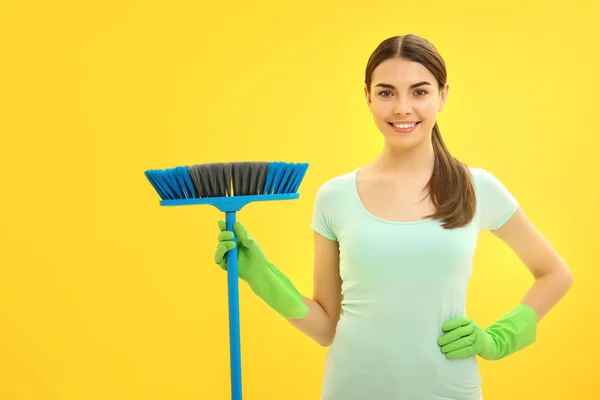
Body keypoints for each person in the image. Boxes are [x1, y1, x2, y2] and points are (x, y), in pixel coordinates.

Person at [213, 34, 574, 400]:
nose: (402, 108)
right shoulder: (334, 197)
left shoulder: (476, 188)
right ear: (368, 97)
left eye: (419, 92)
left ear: (443, 95)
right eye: (387, 93)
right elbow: (325, 328)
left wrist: (498, 339)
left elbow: (555, 275)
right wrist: (260, 275)